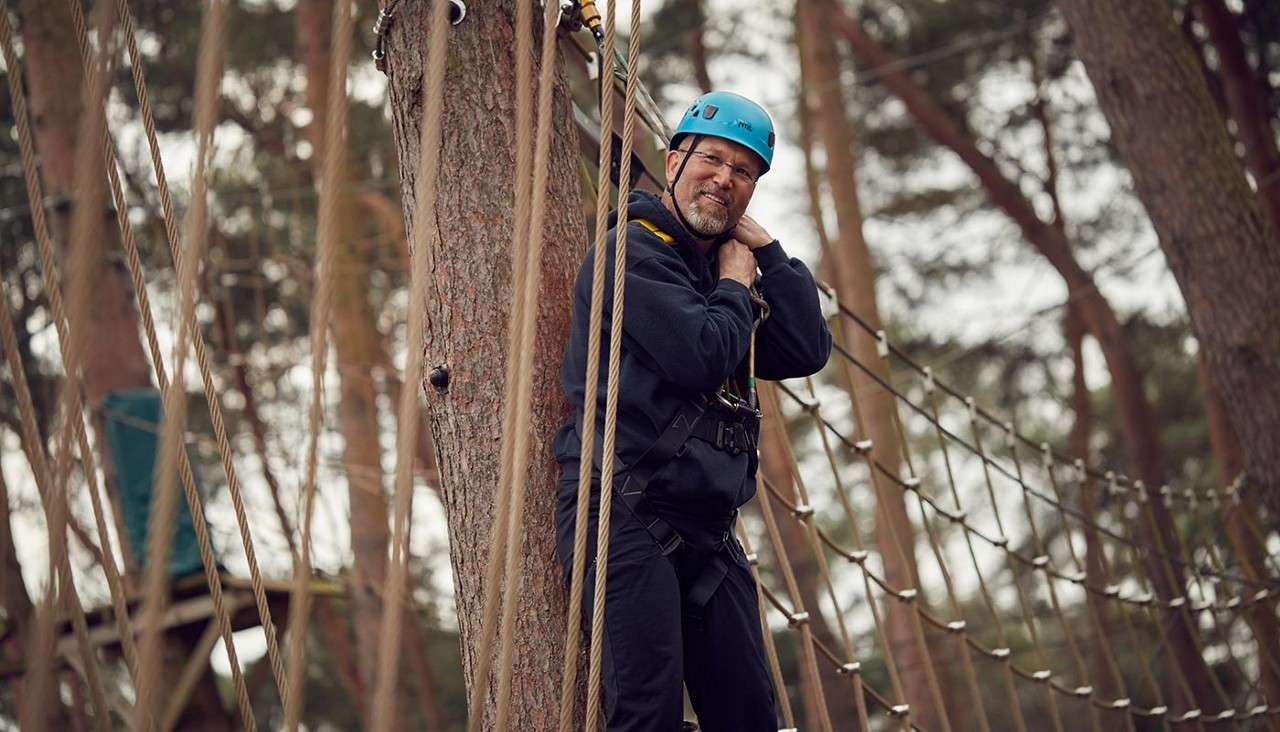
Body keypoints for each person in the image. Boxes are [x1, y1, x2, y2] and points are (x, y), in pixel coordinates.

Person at [553, 91, 832, 731]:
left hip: (708, 529)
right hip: (622, 510)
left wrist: (767, 255)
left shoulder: (721, 271)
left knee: (749, 714)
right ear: (675, 160)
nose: (724, 180)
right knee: (648, 713)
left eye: (743, 173)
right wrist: (737, 282)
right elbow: (703, 354)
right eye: (711, 159)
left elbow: (805, 348)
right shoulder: (632, 251)